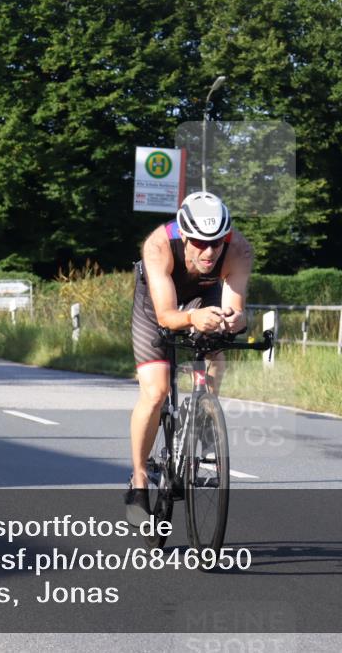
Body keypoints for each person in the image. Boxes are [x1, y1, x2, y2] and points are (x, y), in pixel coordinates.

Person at [126, 191, 254, 524]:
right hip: (155, 304)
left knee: (214, 350)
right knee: (156, 392)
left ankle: (204, 411)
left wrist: (235, 319)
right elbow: (167, 316)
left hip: (203, 296)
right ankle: (139, 480)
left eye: (217, 241)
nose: (209, 251)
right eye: (199, 242)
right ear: (183, 234)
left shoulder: (238, 249)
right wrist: (192, 320)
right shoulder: (158, 246)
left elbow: (236, 309)